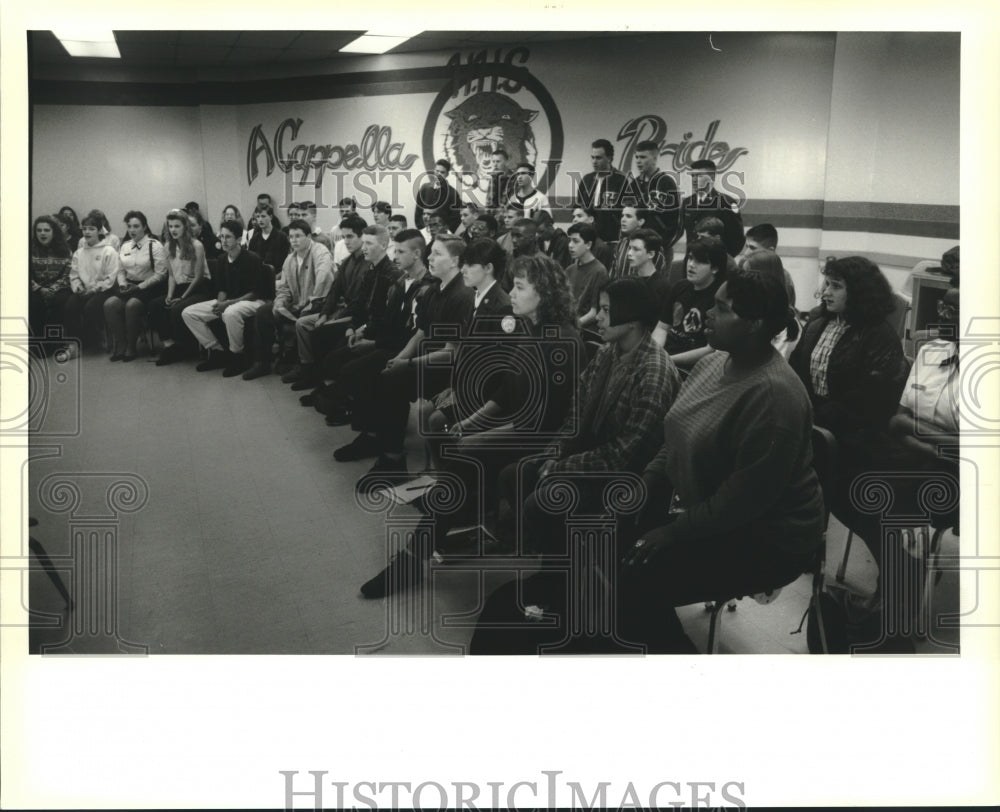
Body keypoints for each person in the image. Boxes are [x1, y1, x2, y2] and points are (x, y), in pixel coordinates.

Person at [617, 265, 823, 653]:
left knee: (639, 577)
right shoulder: (714, 362)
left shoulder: (774, 396)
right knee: (611, 536)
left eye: (722, 308)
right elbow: (675, 432)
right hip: (714, 508)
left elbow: (742, 503)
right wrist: (646, 482)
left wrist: (671, 532)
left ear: (754, 323)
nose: (708, 315)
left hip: (770, 537)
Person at [359, 253, 582, 598]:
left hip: (544, 436)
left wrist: (480, 437)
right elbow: (508, 391)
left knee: (463, 460)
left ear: (545, 293)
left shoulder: (561, 341)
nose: (513, 294)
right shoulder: (528, 327)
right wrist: (470, 422)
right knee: (457, 445)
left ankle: (414, 557)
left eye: (520, 287)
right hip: (517, 424)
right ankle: (445, 523)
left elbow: (542, 420)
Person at [333, 233, 474, 474]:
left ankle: (393, 459)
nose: (430, 257)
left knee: (392, 380)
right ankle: (376, 439)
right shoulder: (434, 290)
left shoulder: (462, 295)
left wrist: (407, 363)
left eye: (437, 254)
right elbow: (420, 333)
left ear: (455, 261)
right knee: (383, 372)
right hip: (427, 358)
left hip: (450, 370)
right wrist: (400, 359)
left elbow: (452, 353)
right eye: (431, 252)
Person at [308, 229, 434, 424]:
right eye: (396, 251)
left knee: (354, 369)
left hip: (407, 350)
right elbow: (381, 317)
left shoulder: (424, 287)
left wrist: (372, 343)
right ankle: (352, 409)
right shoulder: (401, 282)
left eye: (400, 252)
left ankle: (364, 422)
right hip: (388, 341)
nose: (395, 256)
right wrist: (361, 332)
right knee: (338, 355)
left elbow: (413, 334)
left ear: (417, 254)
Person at [789, 256, 906, 457]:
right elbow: (795, 371)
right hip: (811, 421)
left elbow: (872, 398)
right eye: (827, 284)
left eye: (836, 286)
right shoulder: (817, 324)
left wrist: (813, 418)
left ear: (859, 292)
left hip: (852, 436)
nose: (826, 293)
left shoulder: (879, 335)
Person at [282, 224, 395, 389]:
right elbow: (340, 294)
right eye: (364, 243)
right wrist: (331, 317)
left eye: (368, 244)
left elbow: (378, 314)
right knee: (316, 331)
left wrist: (356, 327)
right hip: (358, 319)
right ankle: (314, 377)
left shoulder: (388, 273)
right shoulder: (361, 266)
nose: (364, 247)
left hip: (369, 326)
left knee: (324, 338)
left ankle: (324, 382)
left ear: (384, 245)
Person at [242, 219, 334, 381]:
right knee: (263, 312)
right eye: (291, 237)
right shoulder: (290, 260)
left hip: (319, 304)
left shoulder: (320, 251)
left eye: (298, 236)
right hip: (298, 305)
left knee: (302, 319)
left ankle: (300, 363)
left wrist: (310, 304)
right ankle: (263, 362)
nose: (294, 240)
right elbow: (284, 289)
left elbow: (324, 277)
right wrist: (280, 304)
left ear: (308, 237)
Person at [181, 220, 268, 376]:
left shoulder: (252, 258)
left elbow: (256, 292)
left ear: (239, 239)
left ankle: (238, 357)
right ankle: (218, 352)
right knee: (189, 313)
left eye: (228, 237)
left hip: (254, 302)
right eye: (221, 237)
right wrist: (220, 304)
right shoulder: (222, 259)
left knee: (230, 313)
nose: (223, 241)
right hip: (230, 301)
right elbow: (221, 288)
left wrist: (227, 304)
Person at [149, 209, 213, 366]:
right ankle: (170, 345)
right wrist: (170, 296)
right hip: (179, 286)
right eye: (170, 226)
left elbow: (198, 278)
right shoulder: (168, 246)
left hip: (199, 288)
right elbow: (171, 276)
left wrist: (182, 297)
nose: (173, 230)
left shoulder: (197, 245)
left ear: (185, 226)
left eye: (177, 226)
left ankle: (187, 346)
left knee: (178, 309)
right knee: (156, 305)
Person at [651, 236, 726, 368]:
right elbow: (662, 327)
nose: (691, 265)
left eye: (700, 261)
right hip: (665, 357)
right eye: (690, 258)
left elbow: (710, 349)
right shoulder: (680, 287)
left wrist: (668, 360)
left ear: (715, 268)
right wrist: (654, 354)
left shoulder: (720, 297)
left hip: (692, 366)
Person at [104, 210, 168, 361]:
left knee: (132, 305)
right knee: (109, 305)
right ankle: (122, 344)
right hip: (129, 286)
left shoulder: (155, 245)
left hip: (150, 287)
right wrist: (122, 284)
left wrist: (140, 287)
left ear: (144, 227)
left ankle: (131, 348)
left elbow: (161, 274)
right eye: (129, 226)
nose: (132, 230)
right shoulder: (125, 246)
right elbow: (120, 270)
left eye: (136, 226)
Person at [65, 212, 120, 351]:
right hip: (84, 289)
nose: (87, 232)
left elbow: (111, 277)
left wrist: (94, 289)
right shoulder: (79, 252)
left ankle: (92, 340)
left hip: (104, 290)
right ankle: (74, 343)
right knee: (70, 306)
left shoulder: (109, 251)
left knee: (91, 308)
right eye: (84, 229)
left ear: (99, 230)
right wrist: (78, 287)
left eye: (91, 229)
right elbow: (74, 274)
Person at [680, 159, 745, 257]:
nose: (694, 179)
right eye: (693, 175)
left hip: (715, 264)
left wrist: (723, 261)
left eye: (699, 176)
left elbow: (737, 239)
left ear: (712, 177)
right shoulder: (687, 203)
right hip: (691, 260)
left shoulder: (726, 203)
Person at [627, 140, 681, 247]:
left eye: (643, 157)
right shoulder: (634, 184)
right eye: (636, 157)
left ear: (655, 159)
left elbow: (675, 219)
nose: (638, 161)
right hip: (637, 244)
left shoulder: (666, 183)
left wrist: (664, 244)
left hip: (659, 244)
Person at [29, 215, 73, 345]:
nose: (42, 233)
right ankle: (37, 343)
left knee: (60, 301)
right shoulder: (28, 249)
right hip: (36, 288)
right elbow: (25, 274)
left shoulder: (65, 250)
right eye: (39, 230)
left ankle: (53, 343)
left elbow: (68, 275)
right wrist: (39, 289)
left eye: (46, 230)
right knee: (35, 303)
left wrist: (53, 289)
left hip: (59, 288)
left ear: (54, 232)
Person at [576, 138, 629, 244]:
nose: (594, 161)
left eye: (598, 158)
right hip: (587, 240)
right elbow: (578, 208)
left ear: (609, 158)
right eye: (592, 157)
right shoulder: (587, 180)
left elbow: (626, 212)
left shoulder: (621, 180)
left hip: (611, 240)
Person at [564, 222, 609, 329]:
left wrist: (572, 326)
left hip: (585, 328)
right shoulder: (569, 270)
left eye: (575, 241)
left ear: (588, 245)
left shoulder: (599, 271)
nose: (570, 245)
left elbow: (594, 312)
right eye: (570, 240)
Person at [415, 159, 461, 232]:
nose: (438, 174)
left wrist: (445, 232)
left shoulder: (453, 193)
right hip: (425, 232)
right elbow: (418, 213)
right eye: (437, 171)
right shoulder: (424, 188)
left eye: (442, 172)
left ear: (447, 174)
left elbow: (455, 219)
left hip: (442, 233)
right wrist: (423, 230)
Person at [247, 204, 291, 271]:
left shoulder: (282, 237)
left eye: (263, 216)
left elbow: (287, 262)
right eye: (258, 217)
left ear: (270, 217)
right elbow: (251, 262)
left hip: (278, 277)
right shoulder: (254, 239)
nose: (260, 220)